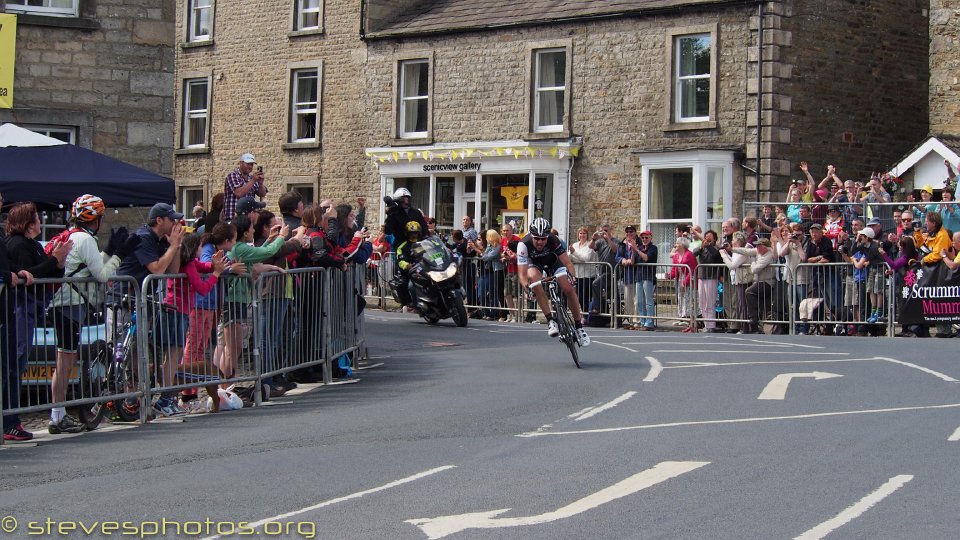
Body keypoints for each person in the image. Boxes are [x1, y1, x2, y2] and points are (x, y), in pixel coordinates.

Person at [47, 195, 139, 434]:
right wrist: (119, 254)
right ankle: (58, 416)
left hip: (63, 303)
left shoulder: (70, 235)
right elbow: (102, 276)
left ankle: (58, 414)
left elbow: (91, 266)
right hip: (70, 304)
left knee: (64, 360)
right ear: (95, 219)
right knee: (65, 361)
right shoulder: (85, 239)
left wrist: (108, 252)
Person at [4, 202, 72, 440]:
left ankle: (12, 420)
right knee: (14, 364)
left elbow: (45, 271)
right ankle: (10, 421)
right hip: (20, 309)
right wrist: (55, 260)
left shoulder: (31, 244)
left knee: (17, 365)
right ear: (28, 222)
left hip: (30, 309)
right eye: (37, 218)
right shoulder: (18, 244)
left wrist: (59, 262)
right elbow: (34, 272)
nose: (40, 222)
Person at [159, 233, 228, 413]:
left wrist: (214, 265)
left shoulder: (191, 263)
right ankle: (175, 396)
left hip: (180, 311)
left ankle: (171, 396)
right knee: (175, 354)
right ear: (193, 248)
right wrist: (216, 273)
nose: (201, 249)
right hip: (178, 311)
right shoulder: (188, 266)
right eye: (199, 246)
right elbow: (203, 289)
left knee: (177, 352)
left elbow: (203, 266)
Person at [516, 217, 590, 346]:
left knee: (568, 289)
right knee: (534, 280)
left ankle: (579, 327)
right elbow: (522, 274)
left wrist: (572, 277)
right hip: (535, 264)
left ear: (548, 236)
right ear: (531, 236)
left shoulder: (553, 240)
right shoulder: (523, 245)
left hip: (553, 262)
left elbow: (568, 263)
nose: (540, 242)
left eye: (543, 238)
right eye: (536, 238)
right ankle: (551, 320)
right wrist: (527, 288)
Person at [221, 153, 267, 222]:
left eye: (251, 164)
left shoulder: (251, 178)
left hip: (248, 219)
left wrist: (260, 183)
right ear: (241, 163)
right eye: (248, 164)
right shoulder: (232, 175)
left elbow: (262, 194)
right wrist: (253, 180)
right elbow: (239, 193)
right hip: (233, 217)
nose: (250, 167)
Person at [668, 237, 698, 332]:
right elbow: (674, 269)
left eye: (677, 243)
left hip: (690, 281)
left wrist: (685, 283)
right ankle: (689, 323)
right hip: (681, 279)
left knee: (690, 302)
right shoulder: (676, 255)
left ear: (682, 245)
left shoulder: (689, 255)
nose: (675, 245)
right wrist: (669, 276)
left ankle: (693, 325)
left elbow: (692, 270)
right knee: (683, 302)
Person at [568, 227, 598, 318]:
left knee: (586, 297)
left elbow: (586, 258)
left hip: (588, 275)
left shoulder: (590, 245)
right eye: (580, 233)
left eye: (584, 233)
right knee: (579, 297)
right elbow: (569, 258)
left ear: (587, 235)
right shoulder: (575, 245)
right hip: (577, 275)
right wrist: (573, 253)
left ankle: (586, 316)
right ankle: (583, 316)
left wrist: (574, 253)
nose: (582, 235)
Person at [696, 230, 723, 332]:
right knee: (702, 301)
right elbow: (694, 253)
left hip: (711, 277)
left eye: (710, 236)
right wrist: (701, 247)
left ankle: (711, 325)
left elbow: (715, 254)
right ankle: (706, 324)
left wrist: (708, 246)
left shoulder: (716, 247)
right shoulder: (703, 248)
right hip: (702, 276)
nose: (707, 238)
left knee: (710, 302)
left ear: (714, 238)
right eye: (706, 236)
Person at [395, 221, 426, 309]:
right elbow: (400, 261)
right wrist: (407, 265)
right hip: (413, 272)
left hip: (426, 268)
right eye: (411, 233)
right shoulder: (402, 247)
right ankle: (416, 305)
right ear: (407, 234)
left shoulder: (424, 243)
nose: (414, 235)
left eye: (416, 232)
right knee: (411, 286)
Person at [616, 225, 642, 329]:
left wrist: (633, 256)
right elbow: (617, 256)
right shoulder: (622, 244)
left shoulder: (639, 243)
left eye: (631, 231)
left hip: (637, 274)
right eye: (627, 232)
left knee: (637, 299)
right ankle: (631, 321)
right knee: (627, 299)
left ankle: (637, 321)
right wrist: (622, 260)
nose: (629, 233)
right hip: (626, 275)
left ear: (635, 232)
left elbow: (640, 256)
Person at [499, 222, 521, 322]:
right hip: (508, 269)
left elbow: (521, 254)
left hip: (517, 270)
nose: (505, 232)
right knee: (507, 293)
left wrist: (513, 256)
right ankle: (511, 314)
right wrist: (504, 257)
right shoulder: (503, 240)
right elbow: (501, 253)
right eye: (504, 230)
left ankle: (517, 315)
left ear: (512, 231)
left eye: (507, 230)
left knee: (516, 294)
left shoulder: (517, 240)